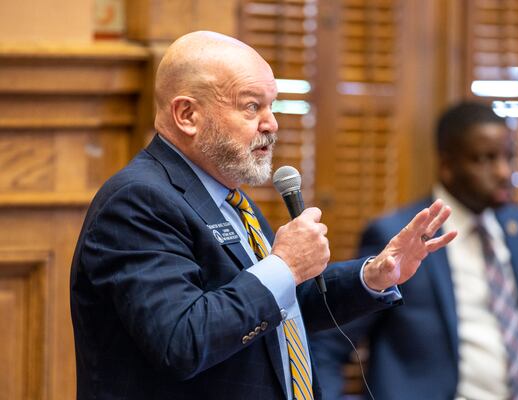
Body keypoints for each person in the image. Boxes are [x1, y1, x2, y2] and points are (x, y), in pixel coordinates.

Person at [69, 31, 456, 400]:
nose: (272, 123)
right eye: (252, 106)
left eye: (272, 106)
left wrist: (372, 275)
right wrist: (284, 265)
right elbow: (182, 341)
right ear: (187, 114)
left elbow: (277, 307)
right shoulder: (138, 202)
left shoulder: (227, 198)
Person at [311, 101, 518, 400]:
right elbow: (331, 343)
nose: (503, 172)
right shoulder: (398, 236)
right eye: (485, 159)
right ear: (447, 166)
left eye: (508, 157)